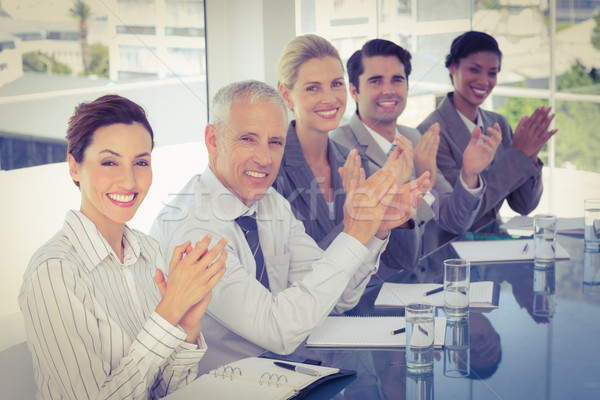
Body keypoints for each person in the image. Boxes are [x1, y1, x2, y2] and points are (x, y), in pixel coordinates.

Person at [150, 80, 420, 373]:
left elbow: (338, 298)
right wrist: (354, 234)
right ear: (213, 141)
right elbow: (276, 331)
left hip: (279, 378)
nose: (265, 159)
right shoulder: (194, 228)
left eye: (275, 142)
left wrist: (374, 230)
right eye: (248, 139)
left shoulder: (271, 202)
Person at [18, 95, 227, 399]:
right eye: (109, 162)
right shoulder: (54, 272)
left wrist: (186, 327)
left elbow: (166, 392)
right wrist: (167, 313)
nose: (129, 181)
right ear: (74, 167)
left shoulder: (149, 251)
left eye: (140, 162)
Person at [331, 38, 502, 265]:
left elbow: (454, 221)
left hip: (426, 282)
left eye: (397, 80)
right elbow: (392, 251)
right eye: (376, 81)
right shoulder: (340, 147)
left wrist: (469, 175)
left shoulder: (413, 137)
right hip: (376, 287)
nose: (389, 90)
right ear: (354, 91)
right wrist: (422, 189)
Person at [273, 34, 429, 277]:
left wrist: (395, 202)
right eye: (313, 87)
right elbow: (297, 276)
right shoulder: (273, 169)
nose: (330, 98)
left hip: (358, 308)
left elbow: (404, 260)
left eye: (336, 84)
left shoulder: (355, 161)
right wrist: (357, 221)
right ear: (286, 94)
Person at [417, 31, 557, 230]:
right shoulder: (430, 134)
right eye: (474, 70)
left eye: (492, 73)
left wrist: (530, 157)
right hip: (449, 248)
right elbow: (463, 214)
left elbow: (524, 206)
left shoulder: (498, 123)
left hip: (494, 242)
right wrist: (517, 157)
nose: (484, 81)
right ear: (452, 67)